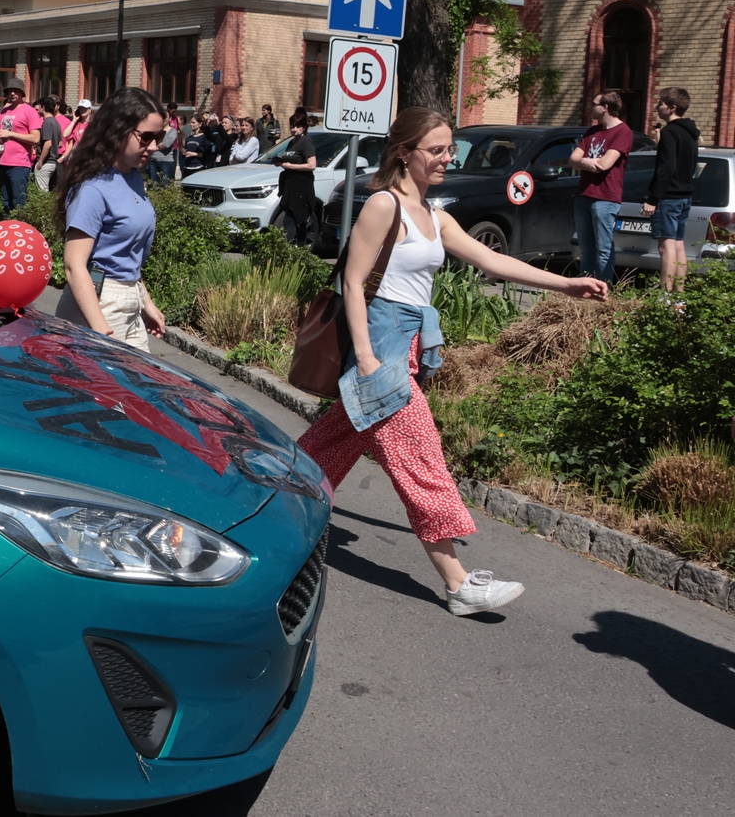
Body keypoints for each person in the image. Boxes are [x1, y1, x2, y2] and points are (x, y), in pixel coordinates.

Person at [298, 107, 608, 616]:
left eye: (450, 149)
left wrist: (567, 284)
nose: (447, 158)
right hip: (382, 353)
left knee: (322, 451)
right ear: (405, 153)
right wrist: (368, 358)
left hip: (408, 349)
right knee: (422, 462)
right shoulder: (383, 205)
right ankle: (459, 584)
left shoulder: (434, 213)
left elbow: (491, 259)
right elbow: (352, 283)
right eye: (437, 150)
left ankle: (262, 510)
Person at [53, 87, 168, 352]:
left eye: (158, 137)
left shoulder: (133, 177)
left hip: (129, 301)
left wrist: (146, 302)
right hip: (98, 305)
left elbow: (126, 255)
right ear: (117, 130)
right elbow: (73, 266)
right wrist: (103, 332)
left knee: (138, 378)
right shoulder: (93, 188)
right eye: (146, 137)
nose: (154, 146)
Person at [569, 91, 634, 283]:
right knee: (586, 249)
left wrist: (583, 161)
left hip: (605, 199)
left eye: (594, 104)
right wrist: (587, 162)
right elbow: (572, 159)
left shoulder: (623, 132)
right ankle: (586, 289)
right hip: (583, 196)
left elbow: (604, 164)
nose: (591, 107)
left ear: (605, 107)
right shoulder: (592, 131)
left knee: (604, 249)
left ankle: (603, 290)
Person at [643, 86, 700, 294]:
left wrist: (653, 199)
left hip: (668, 198)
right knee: (678, 245)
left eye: (661, 104)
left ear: (672, 107)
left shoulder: (669, 132)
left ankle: (665, 296)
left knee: (665, 247)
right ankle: (679, 295)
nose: (657, 107)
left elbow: (666, 168)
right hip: (685, 195)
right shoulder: (690, 133)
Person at [0, 77, 41, 213]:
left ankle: (19, 225)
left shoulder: (29, 111)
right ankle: (8, 225)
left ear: (22, 92)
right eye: (9, 91)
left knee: (19, 203)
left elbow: (36, 138)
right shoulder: (4, 112)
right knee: (6, 203)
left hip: (19, 164)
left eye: (15, 90)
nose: (12, 93)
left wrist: (11, 134)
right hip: (2, 162)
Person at [276, 110, 319, 245]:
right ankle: (298, 247)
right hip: (290, 185)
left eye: (298, 126)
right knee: (292, 218)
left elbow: (312, 165)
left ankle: (291, 249)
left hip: (301, 185)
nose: (294, 129)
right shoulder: (292, 142)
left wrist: (291, 166)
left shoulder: (306, 141)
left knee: (292, 218)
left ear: (304, 127)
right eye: (292, 126)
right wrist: (280, 163)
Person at [35, 96, 63, 190]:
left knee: (41, 192)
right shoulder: (56, 122)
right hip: (53, 162)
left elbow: (48, 144)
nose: (38, 109)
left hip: (45, 162)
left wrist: (40, 161)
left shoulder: (47, 122)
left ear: (43, 107)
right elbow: (59, 144)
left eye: (39, 107)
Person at [147, 106, 178, 183]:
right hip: (153, 161)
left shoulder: (173, 131)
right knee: (154, 185)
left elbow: (167, 143)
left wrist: (155, 147)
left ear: (170, 119)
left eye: (165, 117)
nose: (163, 119)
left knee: (166, 185)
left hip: (166, 162)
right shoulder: (155, 130)